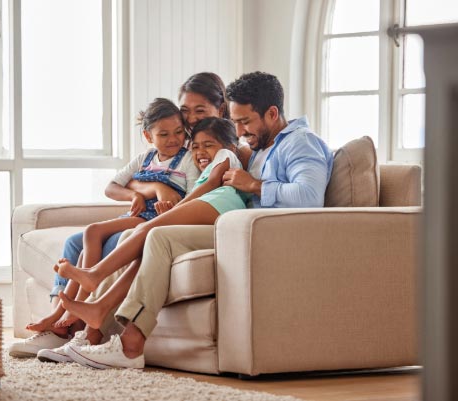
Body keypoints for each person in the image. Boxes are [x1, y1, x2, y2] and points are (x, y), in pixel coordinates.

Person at [61, 71, 334, 369]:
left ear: (272, 113)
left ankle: (129, 345)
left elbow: (310, 197)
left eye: (245, 122)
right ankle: (94, 333)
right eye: (236, 122)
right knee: (151, 235)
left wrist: (254, 185)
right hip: (235, 228)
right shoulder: (258, 145)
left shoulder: (300, 143)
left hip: (266, 235)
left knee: (159, 235)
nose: (240, 130)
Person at [8, 72, 232, 358]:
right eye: (185, 111)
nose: (188, 121)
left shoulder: (204, 148)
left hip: (162, 219)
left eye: (199, 111)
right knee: (78, 241)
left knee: (113, 237)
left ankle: (69, 325)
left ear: (220, 110)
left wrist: (161, 194)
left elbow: (196, 190)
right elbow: (129, 182)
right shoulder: (173, 145)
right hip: (148, 210)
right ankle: (59, 327)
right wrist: (152, 188)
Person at [50, 117, 246, 369]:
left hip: (220, 203)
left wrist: (174, 211)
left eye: (208, 144)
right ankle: (94, 322)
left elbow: (208, 185)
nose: (199, 152)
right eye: (195, 146)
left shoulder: (226, 157)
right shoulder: (210, 160)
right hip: (212, 205)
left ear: (229, 145)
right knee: (140, 236)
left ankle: (95, 275)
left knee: (148, 229)